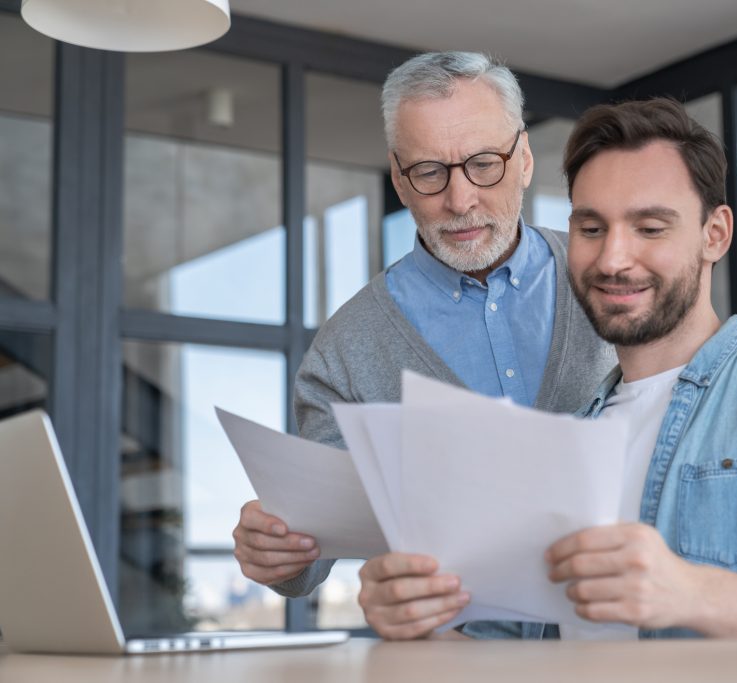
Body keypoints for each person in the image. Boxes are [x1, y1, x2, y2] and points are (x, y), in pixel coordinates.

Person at [356, 97, 737, 641]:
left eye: (649, 227)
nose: (614, 258)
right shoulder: (568, 437)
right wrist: (419, 624)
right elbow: (512, 652)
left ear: (714, 234)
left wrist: (695, 594)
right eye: (591, 229)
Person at [230, 52, 614, 599]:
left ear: (525, 157)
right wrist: (276, 549)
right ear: (400, 180)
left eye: (484, 163)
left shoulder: (610, 280)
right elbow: (309, 551)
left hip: (621, 645)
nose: (460, 201)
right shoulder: (345, 350)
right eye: (429, 172)